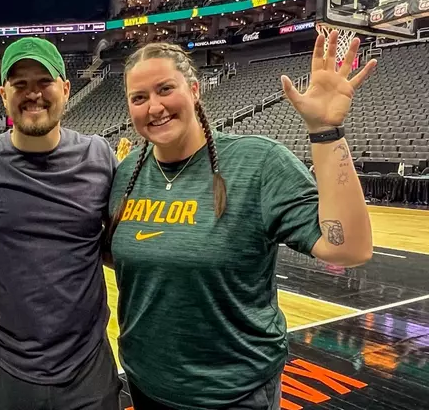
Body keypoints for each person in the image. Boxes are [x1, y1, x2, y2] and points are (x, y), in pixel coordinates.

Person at [104, 33, 374, 409]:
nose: (154, 107)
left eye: (165, 89)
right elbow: (124, 252)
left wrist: (325, 132)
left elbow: (349, 248)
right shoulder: (127, 172)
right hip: (146, 382)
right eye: (139, 97)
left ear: (195, 90)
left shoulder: (258, 163)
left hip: (234, 392)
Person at [0, 37, 122, 410]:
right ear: (3, 94)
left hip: (87, 371)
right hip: (4, 370)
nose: (33, 94)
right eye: (20, 84)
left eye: (43, 82)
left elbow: (118, 248)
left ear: (65, 88)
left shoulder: (99, 156)